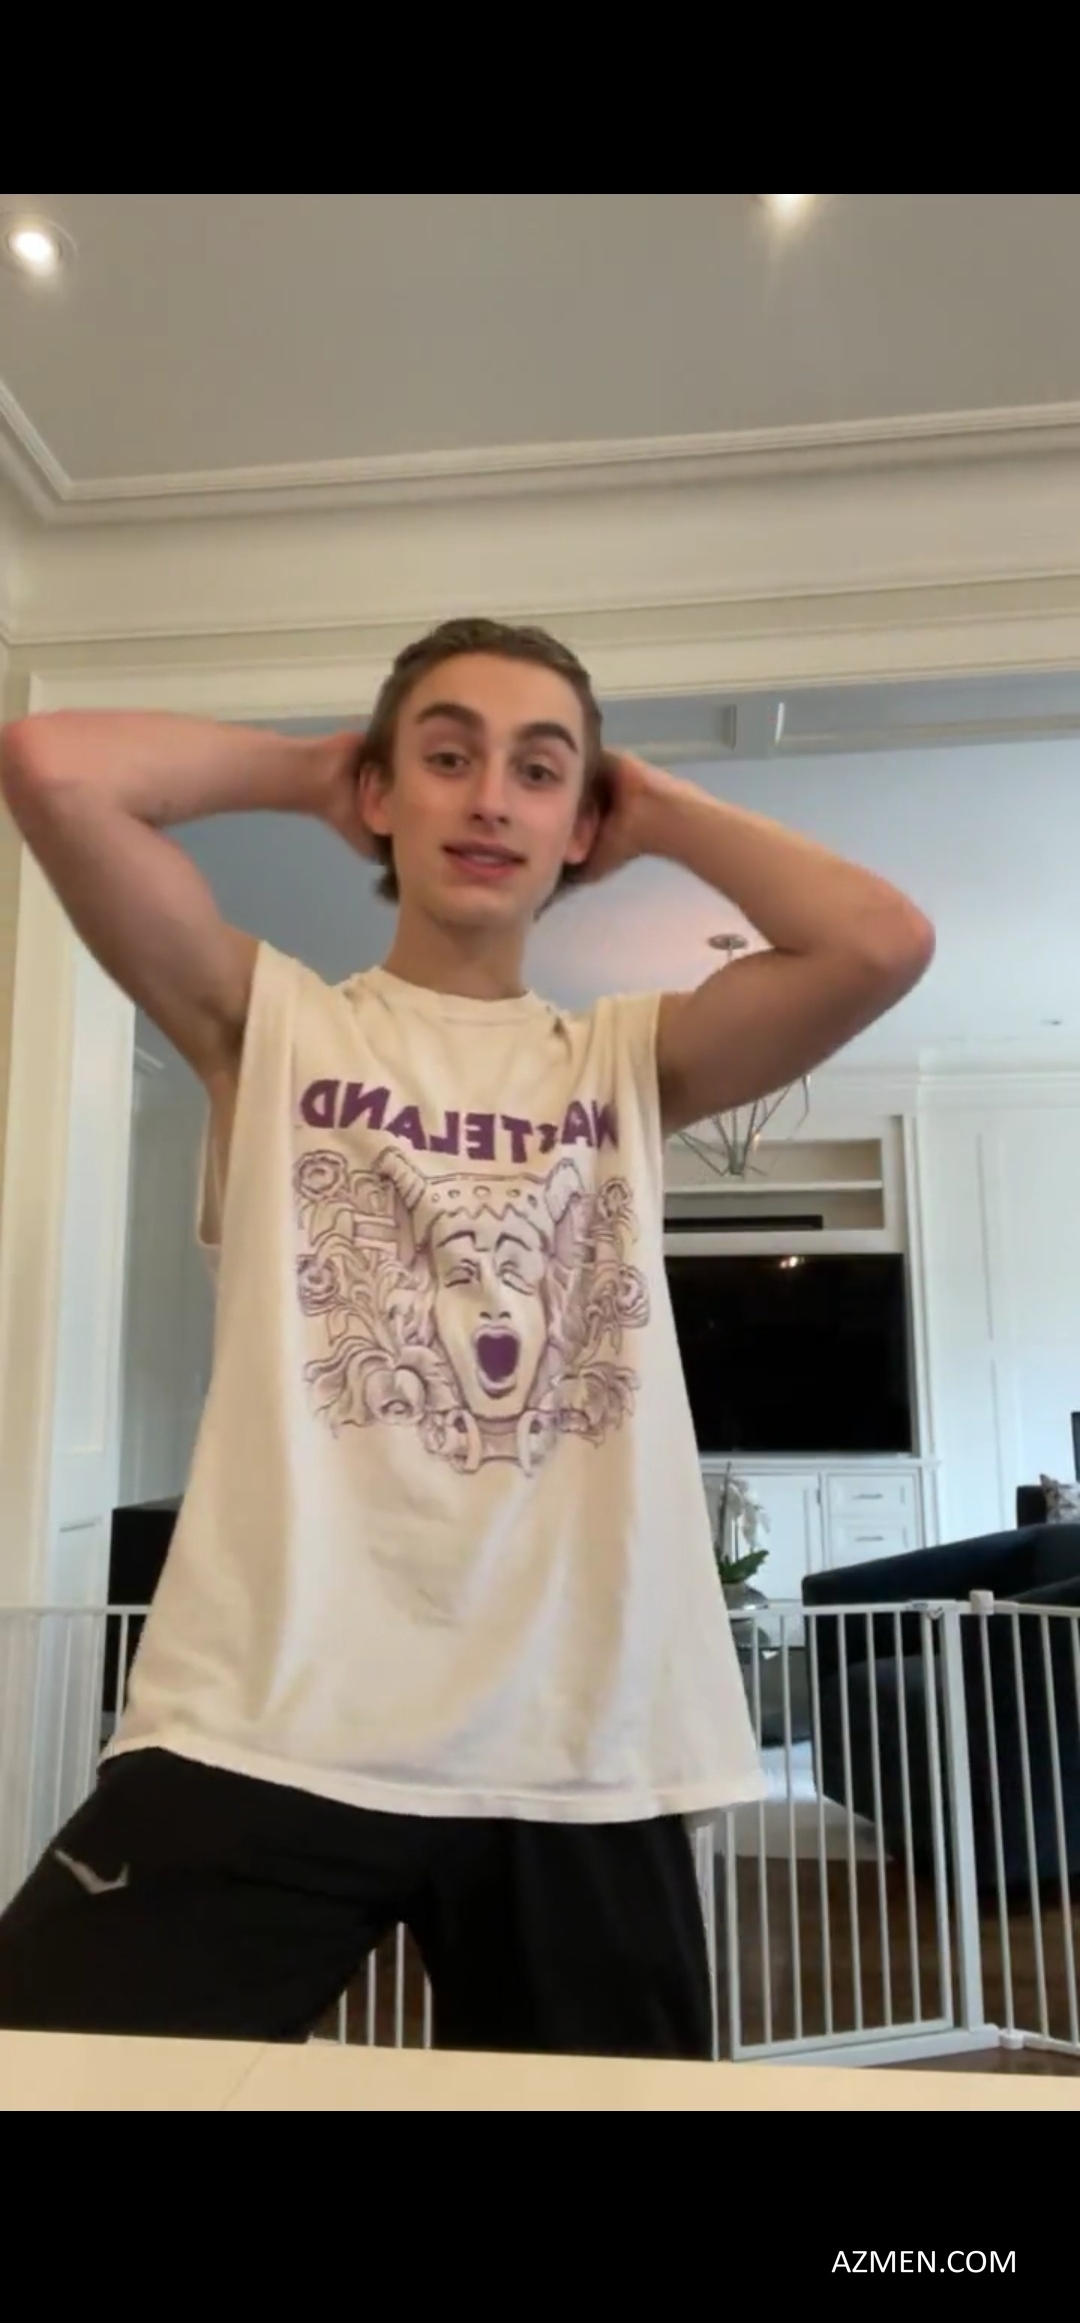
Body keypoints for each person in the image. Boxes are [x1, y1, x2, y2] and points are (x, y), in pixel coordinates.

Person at [0, 619, 933, 2057]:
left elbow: (884, 940)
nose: (491, 798)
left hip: (577, 1742)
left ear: (581, 820)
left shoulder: (627, 1062)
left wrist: (655, 807)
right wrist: (316, 774)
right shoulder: (271, 1026)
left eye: (539, 772)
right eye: (448, 758)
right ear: (384, 792)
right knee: (49, 2067)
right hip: (270, 1715)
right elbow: (53, 765)